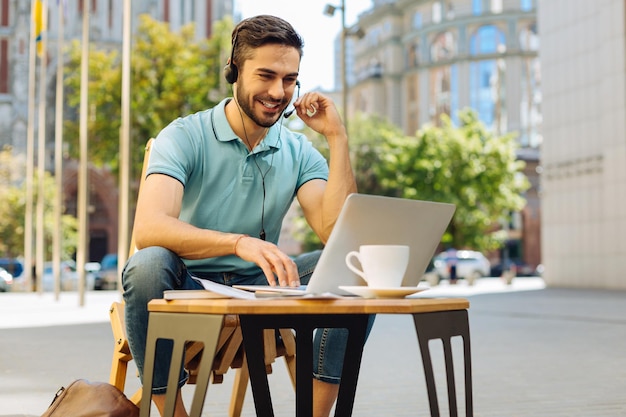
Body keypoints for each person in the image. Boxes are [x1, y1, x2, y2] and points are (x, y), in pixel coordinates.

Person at [122, 14, 373, 417]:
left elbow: (337, 235)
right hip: (187, 283)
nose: (279, 92)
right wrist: (238, 242)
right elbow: (150, 227)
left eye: (290, 79)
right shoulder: (185, 135)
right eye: (267, 76)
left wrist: (337, 138)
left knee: (354, 267)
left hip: (262, 287)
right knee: (146, 264)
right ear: (234, 72)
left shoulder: (298, 151)